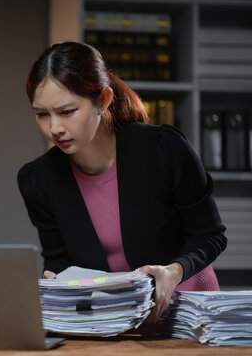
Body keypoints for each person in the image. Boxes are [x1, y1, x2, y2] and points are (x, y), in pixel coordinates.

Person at [17, 41, 227, 324]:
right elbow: (59, 260)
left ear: (103, 99)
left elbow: (210, 235)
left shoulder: (164, 149)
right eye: (42, 114)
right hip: (111, 320)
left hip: (187, 311)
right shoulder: (38, 180)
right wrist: (55, 280)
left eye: (67, 111)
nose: (54, 128)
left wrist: (174, 270)